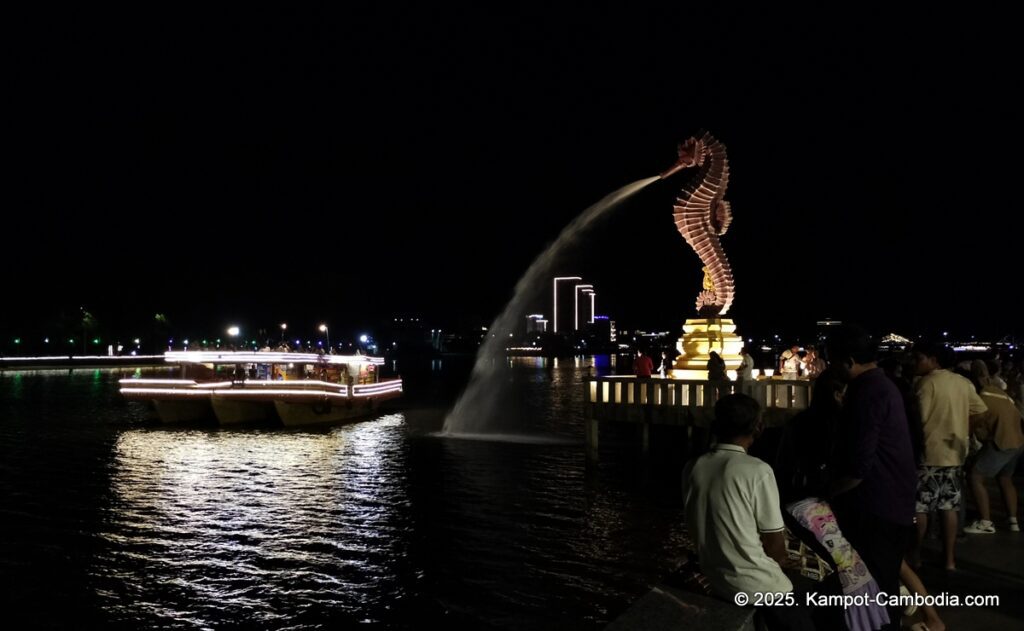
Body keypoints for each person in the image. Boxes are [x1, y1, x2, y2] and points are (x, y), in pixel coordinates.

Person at [683, 394, 813, 631]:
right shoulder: (758, 471)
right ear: (758, 427)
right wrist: (783, 562)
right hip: (759, 586)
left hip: (718, 580)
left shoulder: (692, 467)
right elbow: (774, 544)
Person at [826, 324, 918, 631]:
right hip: (895, 499)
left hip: (876, 505)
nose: (830, 367)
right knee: (885, 580)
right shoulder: (884, 385)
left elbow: (859, 464)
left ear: (849, 361)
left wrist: (830, 492)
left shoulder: (866, 391)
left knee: (876, 583)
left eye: (832, 360)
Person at [910, 341, 988, 570]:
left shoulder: (925, 383)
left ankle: (915, 556)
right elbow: (981, 411)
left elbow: (918, 420)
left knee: (920, 508)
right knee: (949, 507)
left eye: (919, 358)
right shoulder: (962, 382)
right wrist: (964, 429)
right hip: (954, 455)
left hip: (928, 454)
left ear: (934, 360)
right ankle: (950, 560)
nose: (915, 363)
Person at [963, 360, 1024, 534]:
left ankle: (985, 522)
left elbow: (976, 426)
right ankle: (1013, 521)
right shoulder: (998, 392)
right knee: (1005, 479)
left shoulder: (980, 398)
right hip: (1018, 441)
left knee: (975, 476)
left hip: (1002, 442)